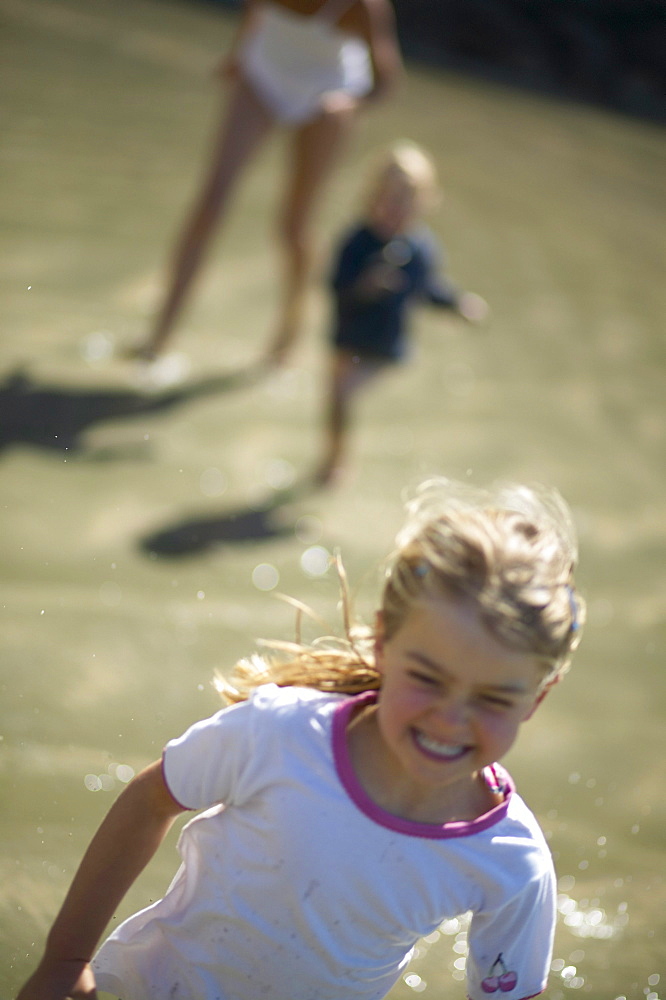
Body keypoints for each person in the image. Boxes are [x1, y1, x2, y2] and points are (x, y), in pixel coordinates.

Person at [17, 476, 585, 1000]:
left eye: (491, 699)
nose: (449, 719)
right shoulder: (282, 734)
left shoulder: (511, 862)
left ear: (537, 697)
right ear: (385, 644)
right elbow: (149, 801)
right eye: (428, 679)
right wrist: (65, 962)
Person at [132, 0, 402, 365]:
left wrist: (350, 102)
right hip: (264, 75)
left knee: (293, 226)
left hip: (326, 94)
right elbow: (254, 10)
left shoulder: (363, 7)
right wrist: (238, 52)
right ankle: (157, 340)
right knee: (210, 205)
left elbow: (385, 79)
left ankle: (287, 335)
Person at [318, 140, 489, 483]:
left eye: (405, 202)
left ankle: (336, 460)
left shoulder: (422, 249)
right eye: (387, 198)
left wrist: (456, 303)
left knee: (341, 393)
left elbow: (427, 288)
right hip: (349, 337)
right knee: (338, 395)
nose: (394, 209)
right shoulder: (356, 240)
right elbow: (333, 284)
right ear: (371, 197)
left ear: (423, 203)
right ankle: (335, 458)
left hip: (386, 347)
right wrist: (364, 286)